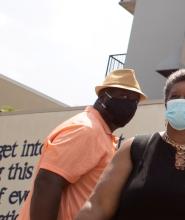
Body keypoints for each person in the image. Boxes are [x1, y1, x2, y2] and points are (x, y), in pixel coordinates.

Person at [74, 69, 185, 220]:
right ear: (167, 104)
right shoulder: (135, 148)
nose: (181, 102)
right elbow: (97, 206)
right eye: (175, 97)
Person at [20, 69, 146, 220]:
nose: (129, 104)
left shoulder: (101, 135)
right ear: (102, 97)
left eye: (134, 101)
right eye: (123, 96)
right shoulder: (86, 129)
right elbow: (47, 182)